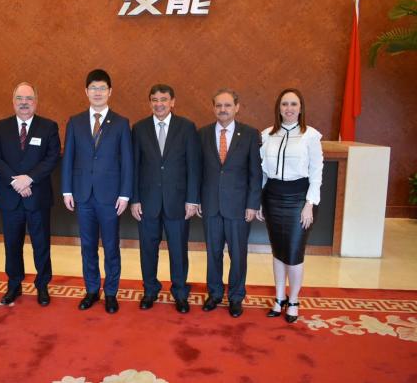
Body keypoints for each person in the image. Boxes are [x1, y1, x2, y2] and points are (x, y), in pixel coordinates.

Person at [61, 69, 133, 314]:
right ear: (86, 91)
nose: (98, 92)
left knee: (111, 246)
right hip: (82, 195)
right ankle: (92, 289)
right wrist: (66, 190)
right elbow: (68, 157)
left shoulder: (122, 123)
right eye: (93, 88)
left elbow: (127, 161)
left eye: (102, 88)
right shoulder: (75, 121)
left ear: (110, 92)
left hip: (111, 197)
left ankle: (111, 292)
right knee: (87, 246)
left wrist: (125, 194)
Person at [0, 82, 60, 307]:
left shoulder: (48, 127)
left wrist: (28, 179)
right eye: (19, 98)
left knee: (41, 244)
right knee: (12, 244)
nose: (24, 103)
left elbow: (52, 157)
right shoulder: (0, 127)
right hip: (10, 198)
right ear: (13, 101)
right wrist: (15, 181)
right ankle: (14, 284)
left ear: (36, 101)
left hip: (37, 196)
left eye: (29, 98)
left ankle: (42, 285)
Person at [131, 84, 201, 313]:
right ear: (150, 102)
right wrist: (135, 199)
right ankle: (150, 290)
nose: (159, 104)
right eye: (154, 100)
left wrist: (192, 199)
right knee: (147, 249)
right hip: (147, 202)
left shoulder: (187, 127)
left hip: (178, 203)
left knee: (178, 250)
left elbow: (193, 166)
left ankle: (180, 292)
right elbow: (134, 167)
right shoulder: (139, 128)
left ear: (173, 102)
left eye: (163, 99)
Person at [256, 88, 323, 323]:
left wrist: (310, 204)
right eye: (285, 104)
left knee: (294, 251)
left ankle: (293, 299)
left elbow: (316, 172)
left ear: (301, 108)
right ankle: (278, 297)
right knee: (278, 250)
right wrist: (260, 201)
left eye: (294, 104)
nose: (289, 108)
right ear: (279, 108)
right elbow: (262, 172)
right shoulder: (266, 135)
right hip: (273, 197)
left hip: (298, 199)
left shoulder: (311, 136)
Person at [197, 88, 262, 318]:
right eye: (218, 105)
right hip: (211, 205)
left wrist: (253, 204)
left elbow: (256, 173)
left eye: (227, 105)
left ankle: (236, 296)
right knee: (213, 252)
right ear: (213, 108)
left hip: (239, 206)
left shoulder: (250, 134)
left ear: (237, 107)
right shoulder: (202, 134)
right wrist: (196, 200)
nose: (222, 110)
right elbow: (198, 171)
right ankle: (214, 294)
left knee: (238, 254)